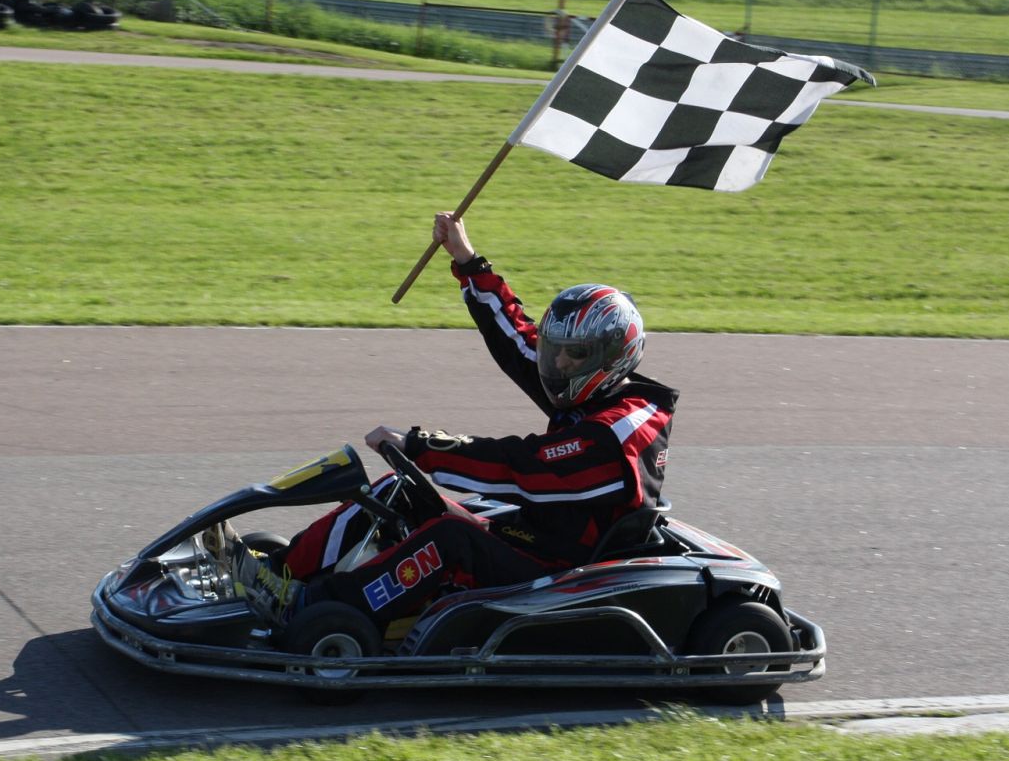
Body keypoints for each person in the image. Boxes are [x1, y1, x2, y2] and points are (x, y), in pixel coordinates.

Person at [227, 212, 679, 629]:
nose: (558, 361)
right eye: (556, 348)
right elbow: (519, 345)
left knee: (449, 538)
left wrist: (422, 446)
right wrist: (467, 260)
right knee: (394, 489)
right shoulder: (592, 389)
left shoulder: (621, 430)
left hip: (563, 571)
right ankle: (278, 574)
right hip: (530, 534)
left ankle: (318, 613)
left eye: (572, 353)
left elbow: (523, 466)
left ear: (612, 355)